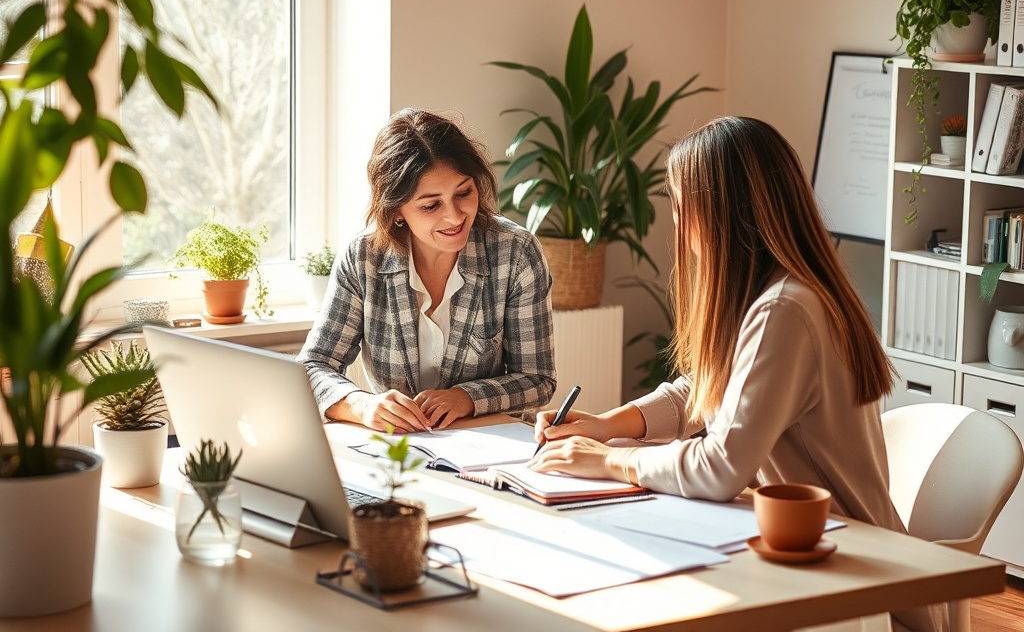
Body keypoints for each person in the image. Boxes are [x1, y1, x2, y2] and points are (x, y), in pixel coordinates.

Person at [530, 116, 941, 632]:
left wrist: (612, 461)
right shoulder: (788, 292)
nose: (677, 224)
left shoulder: (785, 310)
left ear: (717, 214)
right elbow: (706, 389)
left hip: (851, 591)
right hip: (825, 559)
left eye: (680, 206)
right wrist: (609, 424)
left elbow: (721, 466)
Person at [299, 108, 556, 433]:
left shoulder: (516, 252)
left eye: (464, 193)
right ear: (396, 211)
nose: (455, 216)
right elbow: (312, 367)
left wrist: (467, 397)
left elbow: (537, 379)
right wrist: (363, 406)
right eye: (431, 205)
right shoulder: (363, 258)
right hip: (396, 447)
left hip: (490, 444)